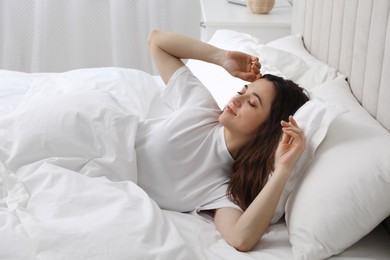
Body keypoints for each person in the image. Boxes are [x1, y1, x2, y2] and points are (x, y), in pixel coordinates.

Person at [136, 30, 309, 252]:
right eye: (242, 90)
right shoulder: (202, 107)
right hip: (96, 132)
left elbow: (241, 238)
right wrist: (221, 57)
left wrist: (283, 169)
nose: (237, 98)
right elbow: (156, 40)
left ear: (267, 130)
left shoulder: (220, 188)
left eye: (252, 103)